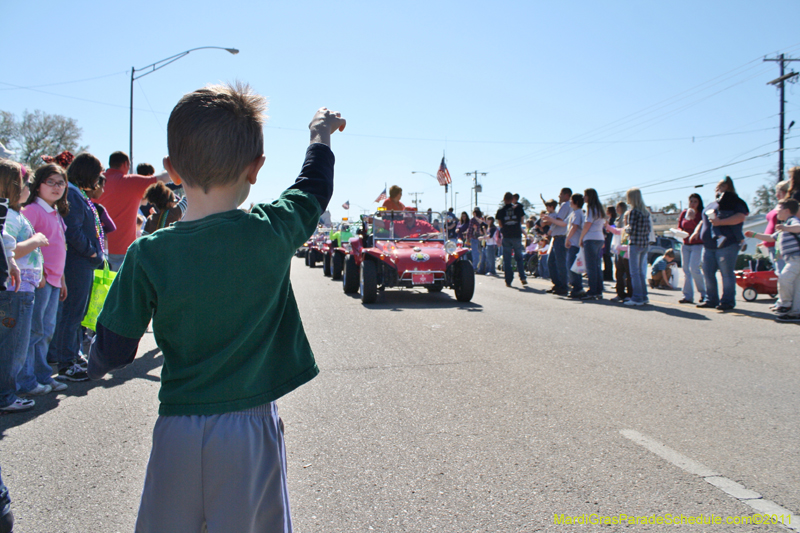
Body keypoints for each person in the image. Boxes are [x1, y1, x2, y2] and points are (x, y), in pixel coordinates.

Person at [88, 83, 345, 532]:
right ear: (256, 168)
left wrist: (94, 363)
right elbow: (313, 188)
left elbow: (114, 348)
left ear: (170, 169)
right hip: (249, 429)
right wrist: (318, 136)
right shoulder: (271, 230)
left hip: (177, 427)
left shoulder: (148, 253)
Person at [48, 154, 106, 382]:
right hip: (77, 262)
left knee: (76, 313)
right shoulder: (71, 192)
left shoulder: (75, 191)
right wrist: (91, 250)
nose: (99, 178)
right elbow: (72, 230)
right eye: (97, 172)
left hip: (81, 262)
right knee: (72, 313)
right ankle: (66, 362)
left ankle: (72, 354)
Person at [19, 164, 71, 397]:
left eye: (61, 182)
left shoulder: (55, 212)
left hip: (53, 280)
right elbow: (28, 247)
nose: (56, 187)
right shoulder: (31, 210)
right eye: (50, 181)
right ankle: (26, 379)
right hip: (39, 281)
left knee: (46, 330)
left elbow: (60, 248)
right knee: (34, 330)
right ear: (37, 184)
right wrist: (39, 274)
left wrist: (62, 279)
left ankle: (42, 375)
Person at [98, 152, 170, 271]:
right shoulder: (131, 182)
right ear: (125, 164)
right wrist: (172, 166)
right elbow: (163, 179)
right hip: (122, 249)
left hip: (98, 248)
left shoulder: (97, 181)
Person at [694, 176, 749, 311]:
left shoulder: (735, 202)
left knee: (726, 273)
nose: (717, 190)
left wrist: (720, 222)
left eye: (721, 187)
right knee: (707, 272)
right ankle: (711, 299)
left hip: (727, 244)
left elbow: (740, 217)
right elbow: (704, 221)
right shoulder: (711, 205)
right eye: (716, 187)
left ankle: (727, 301)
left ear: (728, 188)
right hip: (708, 246)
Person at [746, 198, 800, 322]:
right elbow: (770, 238)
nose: (777, 213)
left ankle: (784, 304)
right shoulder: (784, 227)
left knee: (784, 278)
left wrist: (786, 228)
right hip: (792, 259)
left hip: (796, 258)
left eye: (779, 210)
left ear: (787, 211)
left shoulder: (792, 221)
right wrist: (754, 235)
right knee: (797, 287)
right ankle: (796, 312)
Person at [624, 188, 652, 306]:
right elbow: (648, 229)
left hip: (635, 244)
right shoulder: (645, 212)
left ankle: (637, 298)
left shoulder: (633, 212)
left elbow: (631, 230)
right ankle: (643, 296)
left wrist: (626, 228)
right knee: (641, 272)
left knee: (634, 273)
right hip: (644, 244)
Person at [676, 193, 706, 304]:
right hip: (685, 244)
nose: (692, 204)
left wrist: (693, 219)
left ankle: (703, 294)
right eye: (691, 201)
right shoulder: (684, 213)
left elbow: (700, 227)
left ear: (699, 203)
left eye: (695, 202)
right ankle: (687, 296)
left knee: (694, 269)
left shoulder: (701, 214)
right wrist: (679, 231)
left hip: (697, 244)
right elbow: (680, 225)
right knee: (686, 270)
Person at [541, 188, 572, 295]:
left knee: (559, 263)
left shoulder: (565, 205)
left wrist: (548, 220)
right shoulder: (567, 206)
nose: (559, 196)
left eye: (561, 194)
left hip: (561, 237)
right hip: (557, 237)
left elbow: (559, 221)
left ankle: (563, 286)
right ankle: (557, 284)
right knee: (552, 262)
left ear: (567, 195)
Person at [579, 188, 606, 300]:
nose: (584, 197)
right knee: (597, 265)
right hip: (599, 238)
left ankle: (592, 291)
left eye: (585, 195)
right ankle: (599, 290)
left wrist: (581, 238)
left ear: (590, 197)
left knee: (591, 267)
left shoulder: (591, 208)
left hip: (590, 238)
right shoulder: (600, 209)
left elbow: (587, 224)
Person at [496, 191, 527, 287]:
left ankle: (508, 280)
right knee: (519, 257)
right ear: (512, 199)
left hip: (507, 236)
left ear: (504, 199)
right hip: (517, 235)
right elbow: (522, 221)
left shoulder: (501, 211)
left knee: (507, 259)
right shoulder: (518, 208)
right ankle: (522, 277)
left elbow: (500, 224)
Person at [763, 180, 791, 272]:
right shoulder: (779, 205)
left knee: (783, 274)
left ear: (783, 192)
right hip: (771, 245)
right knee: (779, 273)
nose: (776, 195)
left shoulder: (787, 207)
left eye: (777, 192)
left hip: (779, 246)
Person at [564, 193, 585, 298]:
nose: (570, 202)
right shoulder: (574, 213)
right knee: (573, 266)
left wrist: (567, 239)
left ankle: (577, 287)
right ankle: (576, 287)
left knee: (572, 267)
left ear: (576, 202)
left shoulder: (577, 213)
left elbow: (574, 227)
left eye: (571, 200)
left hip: (575, 243)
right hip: (574, 243)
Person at [467, 207, 485, 273]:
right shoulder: (482, 219)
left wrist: (467, 238)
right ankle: (481, 267)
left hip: (474, 238)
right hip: (483, 238)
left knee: (475, 253)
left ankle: (474, 267)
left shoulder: (473, 219)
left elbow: (470, 229)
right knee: (482, 253)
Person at [603, 205, 616, 281]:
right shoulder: (609, 220)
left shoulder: (612, 221)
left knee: (607, 257)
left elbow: (610, 230)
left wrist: (605, 228)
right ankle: (607, 273)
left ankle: (608, 275)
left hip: (609, 240)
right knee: (606, 257)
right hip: (607, 240)